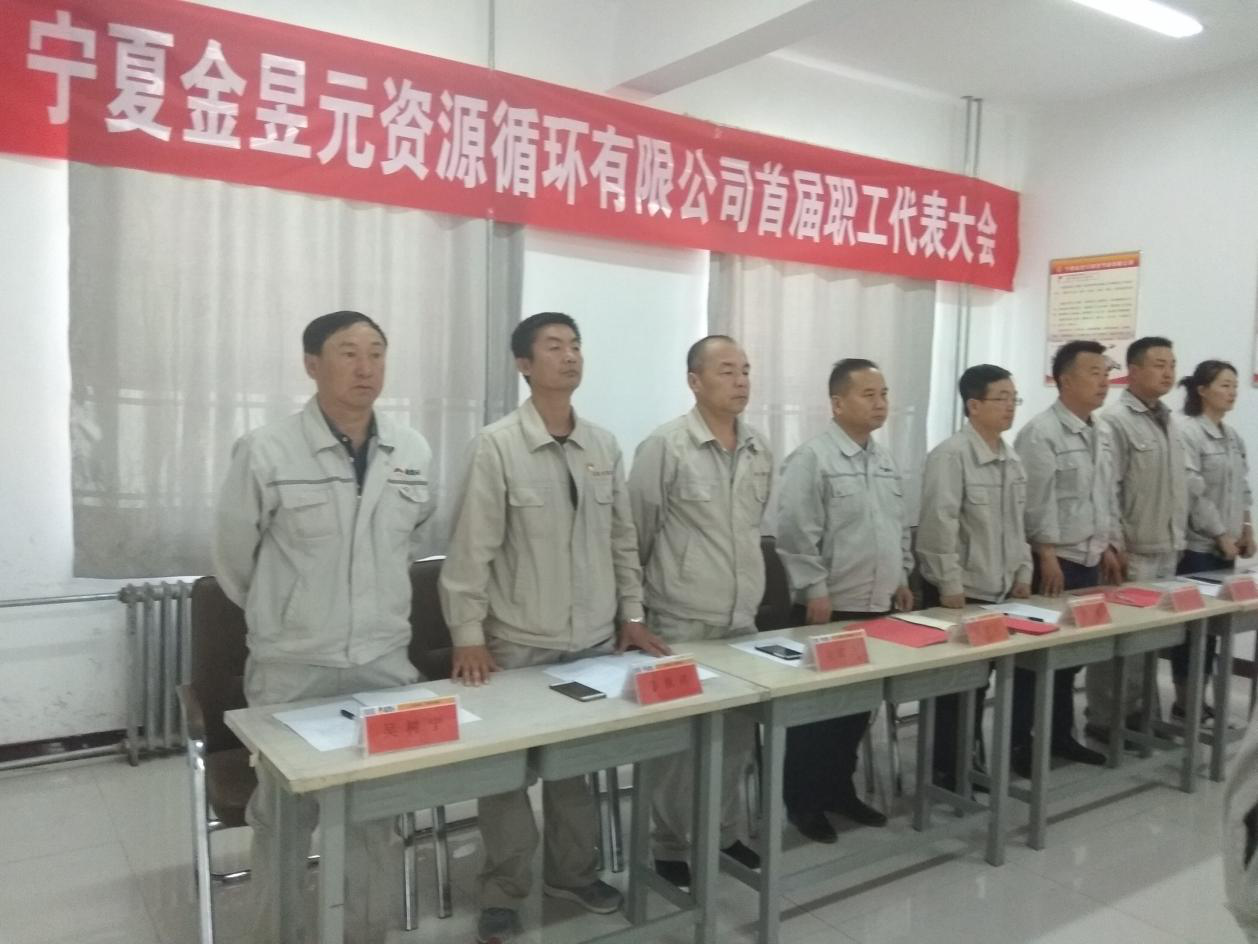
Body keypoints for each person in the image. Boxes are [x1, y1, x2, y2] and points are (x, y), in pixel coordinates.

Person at [439, 311, 669, 944]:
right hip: (518, 640)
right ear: (523, 364)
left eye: (575, 346)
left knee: (576, 767)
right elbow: (471, 551)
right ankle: (503, 891)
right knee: (507, 776)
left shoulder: (602, 445)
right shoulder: (497, 446)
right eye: (553, 347)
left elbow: (623, 541)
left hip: (591, 640)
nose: (569, 356)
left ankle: (572, 874)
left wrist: (632, 615)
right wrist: (468, 634)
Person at [213, 310, 436, 944]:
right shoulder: (267, 450)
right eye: (348, 352)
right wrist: (290, 616)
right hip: (293, 666)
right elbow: (234, 560)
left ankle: (367, 934)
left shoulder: (412, 450)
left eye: (376, 353)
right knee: (285, 818)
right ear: (312, 365)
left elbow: (411, 542)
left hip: (383, 663)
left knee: (376, 815)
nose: (366, 367)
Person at [628, 334, 768, 886]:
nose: (740, 381)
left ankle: (725, 833)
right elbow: (635, 535)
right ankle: (668, 845)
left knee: (735, 738)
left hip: (741, 620)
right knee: (678, 746)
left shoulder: (759, 448)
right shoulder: (666, 446)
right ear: (694, 381)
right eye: (727, 370)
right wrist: (633, 613)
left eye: (746, 370)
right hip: (680, 620)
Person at [774, 358, 907, 843]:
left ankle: (839, 791)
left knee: (855, 711)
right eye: (868, 394)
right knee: (816, 717)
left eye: (884, 394)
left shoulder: (884, 459)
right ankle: (803, 803)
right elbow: (795, 533)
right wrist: (814, 589)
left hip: (876, 603)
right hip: (830, 605)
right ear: (837, 403)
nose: (880, 403)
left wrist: (902, 575)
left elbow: (895, 526)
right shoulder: (812, 459)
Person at [917, 364, 1032, 789]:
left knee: (982, 683)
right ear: (974, 405)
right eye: (1002, 398)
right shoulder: (951, 456)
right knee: (956, 687)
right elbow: (938, 525)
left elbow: (1018, 525)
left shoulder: (1011, 458)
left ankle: (970, 759)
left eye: (1014, 398)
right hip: (962, 593)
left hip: (1000, 589)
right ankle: (948, 768)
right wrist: (949, 584)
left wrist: (1023, 571)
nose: (1010, 407)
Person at [1010, 340, 1119, 777]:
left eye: (1106, 373)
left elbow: (1105, 494)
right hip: (1055, 562)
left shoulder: (1101, 431)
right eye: (1094, 372)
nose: (1104, 381)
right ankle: (1019, 742)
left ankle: (1059, 735)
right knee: (1034, 660)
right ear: (1065, 380)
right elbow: (1034, 503)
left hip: (1090, 557)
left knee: (1070, 656)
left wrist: (1108, 543)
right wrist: (1046, 552)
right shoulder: (1041, 433)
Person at [1085, 336, 1188, 737]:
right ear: (1134, 370)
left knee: (1151, 639)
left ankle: (1142, 715)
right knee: (1121, 641)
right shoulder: (1115, 421)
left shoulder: (1168, 420)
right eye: (1159, 364)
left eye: (1172, 365)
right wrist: (1114, 543)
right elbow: (1108, 489)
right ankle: (1105, 719)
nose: (1168, 372)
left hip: (1166, 547)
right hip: (1133, 551)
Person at [1173, 359, 1253, 718]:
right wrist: (1220, 534)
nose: (1232, 392)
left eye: (1234, 385)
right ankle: (1185, 702)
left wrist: (1247, 528)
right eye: (1224, 385)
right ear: (1202, 390)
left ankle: (1196, 701)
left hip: (1227, 546)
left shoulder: (1232, 436)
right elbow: (1195, 493)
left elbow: (1243, 488)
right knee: (1194, 631)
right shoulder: (1188, 432)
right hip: (1198, 548)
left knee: (1213, 631)